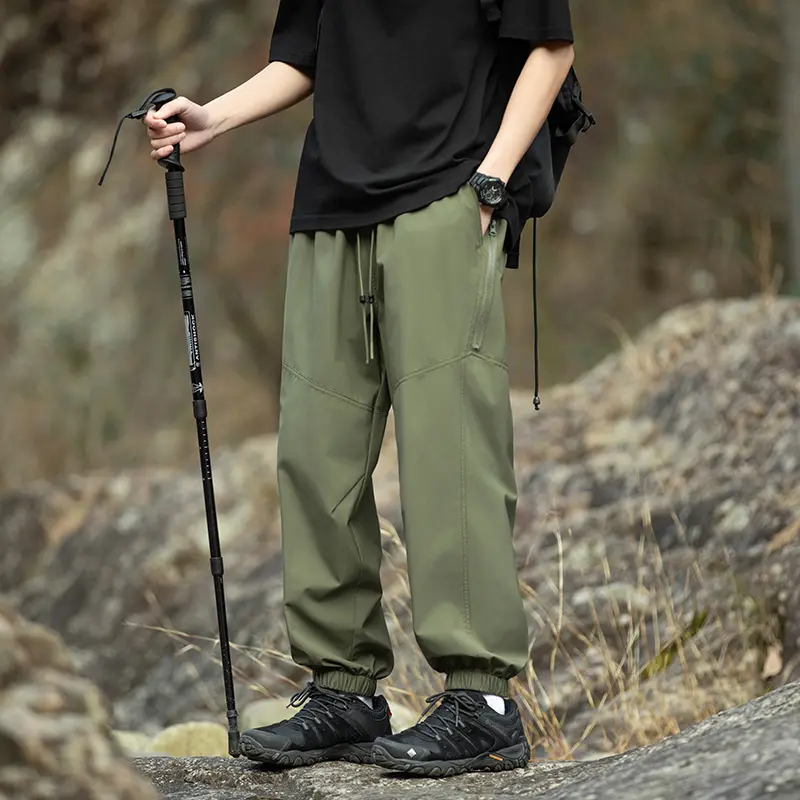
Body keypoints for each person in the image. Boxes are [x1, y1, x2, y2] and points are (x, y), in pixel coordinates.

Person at [143, 0, 575, 777]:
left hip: (449, 194)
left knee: (449, 452)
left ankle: (481, 701)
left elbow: (550, 47)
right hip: (329, 206)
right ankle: (343, 689)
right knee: (315, 451)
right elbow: (301, 56)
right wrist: (213, 118)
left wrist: (492, 179)